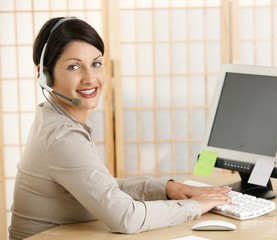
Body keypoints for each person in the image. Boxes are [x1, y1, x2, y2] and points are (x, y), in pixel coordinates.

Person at [8, 17, 231, 240]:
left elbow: (104, 189)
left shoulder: (55, 117)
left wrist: (167, 189)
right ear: (44, 74)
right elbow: (126, 217)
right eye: (74, 66)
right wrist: (193, 207)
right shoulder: (62, 136)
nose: (90, 78)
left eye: (96, 64)